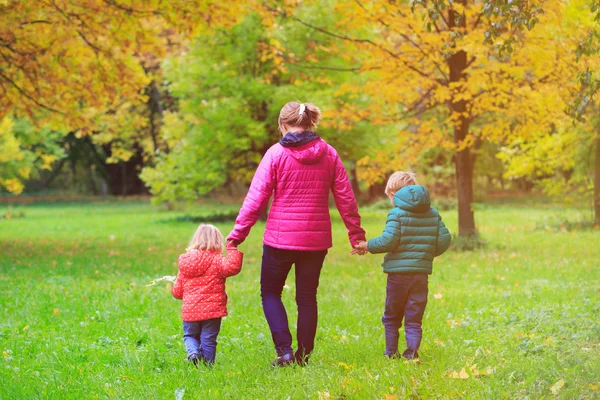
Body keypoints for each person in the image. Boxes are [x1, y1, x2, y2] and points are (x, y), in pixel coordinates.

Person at [227, 101, 366, 367]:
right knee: (306, 297)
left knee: (270, 292)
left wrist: (237, 235)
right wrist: (356, 235)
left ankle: (284, 352)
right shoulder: (329, 154)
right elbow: (346, 198)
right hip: (315, 242)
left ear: (283, 125)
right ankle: (304, 355)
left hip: (280, 240)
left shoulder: (276, 154)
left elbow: (256, 198)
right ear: (310, 123)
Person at [352, 171, 451, 360]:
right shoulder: (432, 212)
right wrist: (425, 254)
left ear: (393, 193)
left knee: (392, 316)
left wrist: (367, 245)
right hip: (420, 275)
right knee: (414, 318)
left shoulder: (396, 213)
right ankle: (412, 353)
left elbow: (388, 241)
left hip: (398, 276)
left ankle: (391, 352)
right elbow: (445, 239)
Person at [172, 224, 243, 365]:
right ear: (217, 241)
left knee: (190, 335)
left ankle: (193, 353)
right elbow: (233, 267)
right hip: (212, 311)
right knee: (208, 338)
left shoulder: (185, 263)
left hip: (190, 311)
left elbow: (177, 292)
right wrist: (232, 247)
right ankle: (207, 366)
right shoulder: (217, 260)